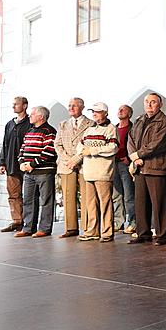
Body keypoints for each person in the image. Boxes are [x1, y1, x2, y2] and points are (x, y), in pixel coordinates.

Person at [127, 93, 166, 246]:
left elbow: (158, 144)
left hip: (157, 167)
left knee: (158, 203)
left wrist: (139, 154)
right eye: (147, 102)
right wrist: (135, 157)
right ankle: (143, 233)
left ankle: (161, 235)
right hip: (140, 167)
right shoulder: (139, 120)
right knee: (140, 202)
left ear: (159, 105)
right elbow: (130, 140)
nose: (149, 104)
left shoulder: (165, 122)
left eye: (153, 102)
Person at [70, 102, 118, 242]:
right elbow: (80, 145)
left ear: (105, 113)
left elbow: (113, 147)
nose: (94, 114)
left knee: (105, 203)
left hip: (103, 171)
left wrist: (92, 151)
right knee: (90, 203)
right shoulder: (89, 130)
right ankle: (92, 231)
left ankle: (107, 232)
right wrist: (79, 155)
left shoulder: (110, 129)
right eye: (93, 112)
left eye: (98, 111)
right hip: (88, 171)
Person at [15, 106, 57, 238]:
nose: (30, 116)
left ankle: (44, 229)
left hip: (44, 172)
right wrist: (22, 163)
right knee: (28, 200)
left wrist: (32, 164)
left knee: (46, 201)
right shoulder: (30, 131)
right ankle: (28, 228)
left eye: (32, 114)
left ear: (41, 117)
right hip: (29, 173)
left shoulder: (49, 131)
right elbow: (22, 149)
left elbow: (49, 151)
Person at [55, 97, 93, 238]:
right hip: (66, 165)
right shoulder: (63, 124)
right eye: (69, 105)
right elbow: (57, 144)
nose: (71, 108)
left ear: (82, 107)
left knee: (87, 196)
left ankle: (87, 227)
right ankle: (71, 228)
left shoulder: (91, 124)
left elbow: (90, 144)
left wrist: (77, 159)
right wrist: (68, 160)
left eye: (74, 106)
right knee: (68, 195)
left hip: (84, 163)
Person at [0, 96, 31, 232]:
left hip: (27, 165)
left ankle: (29, 223)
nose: (13, 107)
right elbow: (5, 144)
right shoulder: (9, 124)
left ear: (24, 106)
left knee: (29, 196)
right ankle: (17, 221)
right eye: (13, 104)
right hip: (11, 165)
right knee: (13, 194)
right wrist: (2, 163)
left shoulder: (30, 123)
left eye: (16, 104)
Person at [112, 105, 136, 234]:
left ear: (129, 114)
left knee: (129, 195)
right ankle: (118, 222)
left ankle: (133, 222)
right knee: (116, 195)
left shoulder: (132, 128)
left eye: (123, 109)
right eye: (119, 109)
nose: (120, 111)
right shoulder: (114, 128)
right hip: (113, 164)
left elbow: (135, 145)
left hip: (125, 164)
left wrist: (129, 159)